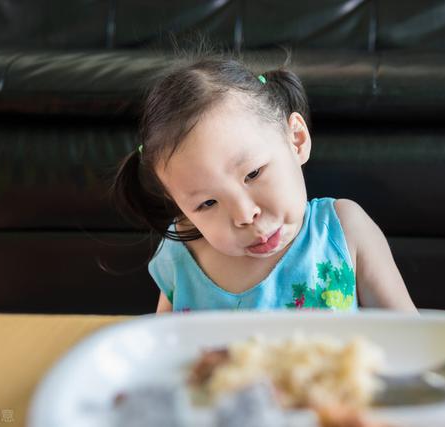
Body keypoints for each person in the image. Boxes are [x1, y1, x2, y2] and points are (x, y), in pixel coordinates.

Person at [111, 53, 416, 314]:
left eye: (253, 173)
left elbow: (412, 340)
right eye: (207, 203)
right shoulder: (181, 254)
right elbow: (162, 353)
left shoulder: (343, 230)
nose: (244, 215)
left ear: (296, 139)